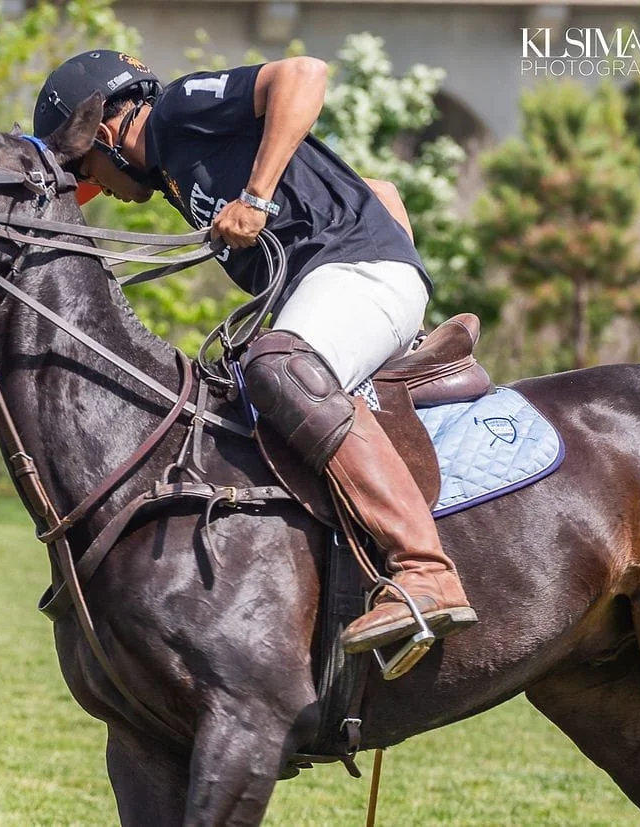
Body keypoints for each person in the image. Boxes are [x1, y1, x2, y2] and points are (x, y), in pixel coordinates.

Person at [33, 50, 477, 654]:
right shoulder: (177, 170)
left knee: (279, 367)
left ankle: (426, 572)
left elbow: (303, 74)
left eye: (89, 171)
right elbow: (379, 191)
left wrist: (259, 197)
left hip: (363, 274)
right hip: (349, 283)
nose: (102, 192)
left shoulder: (175, 112)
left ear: (105, 133)